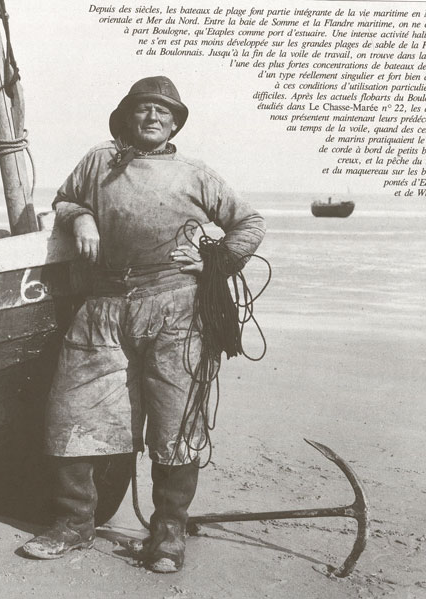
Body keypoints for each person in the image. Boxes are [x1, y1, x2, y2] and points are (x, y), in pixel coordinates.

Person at [20, 76, 266, 573]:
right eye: (143, 109)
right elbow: (65, 200)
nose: (153, 116)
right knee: (73, 414)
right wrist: (82, 218)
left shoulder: (196, 174)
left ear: (175, 123)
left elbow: (250, 224)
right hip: (104, 306)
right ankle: (74, 523)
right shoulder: (99, 162)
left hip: (176, 310)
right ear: (127, 118)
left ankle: (169, 531)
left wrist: (215, 263)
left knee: (178, 422)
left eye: (163, 111)